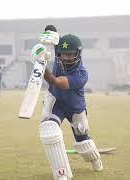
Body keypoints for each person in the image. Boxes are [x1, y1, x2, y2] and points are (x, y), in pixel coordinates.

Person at [37, 26, 103, 180]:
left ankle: (95, 158)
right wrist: (49, 32)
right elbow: (52, 32)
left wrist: (41, 64)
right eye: (62, 54)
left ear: (78, 54)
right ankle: (62, 174)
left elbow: (55, 81)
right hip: (56, 101)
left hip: (75, 109)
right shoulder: (59, 53)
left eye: (70, 54)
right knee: (48, 128)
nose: (65, 57)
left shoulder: (81, 74)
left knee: (83, 142)